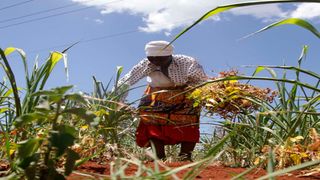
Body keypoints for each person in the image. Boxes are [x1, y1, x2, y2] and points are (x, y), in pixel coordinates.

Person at [117, 40, 208, 161]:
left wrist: (201, 95)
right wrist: (117, 100)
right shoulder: (146, 64)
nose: (156, 62)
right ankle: (159, 157)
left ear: (169, 55)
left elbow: (201, 81)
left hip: (184, 96)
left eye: (160, 59)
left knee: (188, 125)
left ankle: (185, 157)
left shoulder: (187, 62)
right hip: (155, 95)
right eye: (152, 58)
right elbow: (127, 80)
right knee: (151, 124)